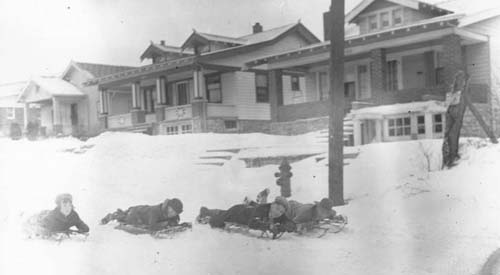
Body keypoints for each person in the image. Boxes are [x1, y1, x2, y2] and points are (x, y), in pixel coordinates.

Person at [208, 196, 295, 235]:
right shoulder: (262, 209)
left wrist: (286, 226)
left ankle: (212, 211)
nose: (278, 213)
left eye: (281, 212)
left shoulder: (279, 216)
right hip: (237, 212)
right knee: (217, 221)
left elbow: (291, 223)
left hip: (248, 210)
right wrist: (269, 227)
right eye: (277, 208)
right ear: (272, 204)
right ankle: (205, 212)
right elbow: (252, 223)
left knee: (222, 213)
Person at [101, 198, 183, 231]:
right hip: (137, 214)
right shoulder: (155, 212)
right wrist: (165, 225)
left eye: (174, 213)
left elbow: (174, 222)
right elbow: (152, 228)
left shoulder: (171, 214)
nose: (172, 214)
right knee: (125, 219)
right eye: (171, 210)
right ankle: (111, 216)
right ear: (167, 207)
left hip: (142, 210)